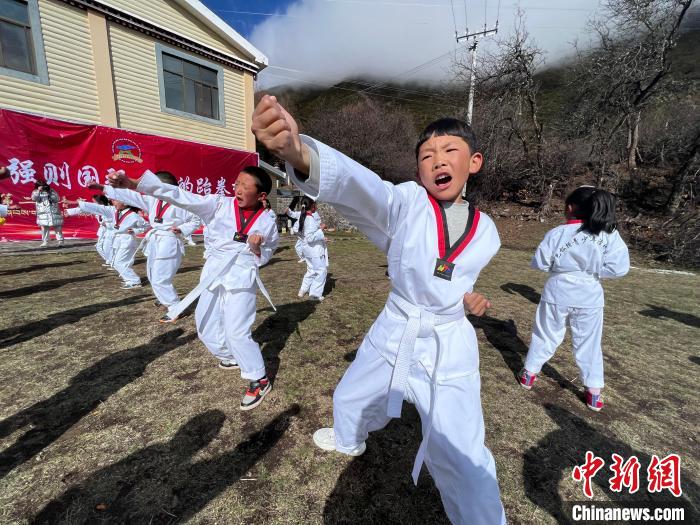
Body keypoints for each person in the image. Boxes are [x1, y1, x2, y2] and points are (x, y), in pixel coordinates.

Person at [252, 95, 505, 525]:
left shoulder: (489, 233)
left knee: (461, 449)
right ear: (419, 170)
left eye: (449, 150)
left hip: (448, 341)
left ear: (474, 162)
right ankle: (349, 438)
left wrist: (467, 298)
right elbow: (365, 189)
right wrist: (300, 155)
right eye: (426, 156)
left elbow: (455, 276)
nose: (437, 160)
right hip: (398, 324)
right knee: (351, 395)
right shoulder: (407, 202)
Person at [106, 166, 279, 410]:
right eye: (237, 183)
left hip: (241, 277)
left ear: (261, 195)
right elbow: (179, 195)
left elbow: (267, 252)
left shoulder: (268, 221)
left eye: (245, 186)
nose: (238, 189)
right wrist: (134, 184)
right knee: (205, 326)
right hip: (213, 273)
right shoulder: (217, 205)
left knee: (236, 331)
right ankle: (230, 356)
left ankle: (258, 379)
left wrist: (256, 247)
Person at [518, 186, 630, 412]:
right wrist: (594, 272)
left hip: (557, 291)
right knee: (589, 343)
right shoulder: (608, 234)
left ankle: (529, 374)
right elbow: (619, 268)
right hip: (589, 295)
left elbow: (540, 262)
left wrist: (561, 269)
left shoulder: (558, 232)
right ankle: (594, 392)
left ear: (570, 208)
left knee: (546, 334)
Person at [92, 172, 201, 318]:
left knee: (160, 277)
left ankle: (175, 307)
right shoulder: (153, 200)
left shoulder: (182, 202)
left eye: (154, 186)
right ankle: (164, 298)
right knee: (152, 273)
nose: (151, 189)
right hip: (155, 240)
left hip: (169, 240)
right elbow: (131, 196)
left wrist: (182, 229)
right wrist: (102, 188)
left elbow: (196, 220)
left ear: (165, 186)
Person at [66, 199, 148, 288]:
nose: (113, 202)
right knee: (115, 261)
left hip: (127, 240)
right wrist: (76, 205)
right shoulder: (113, 211)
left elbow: (146, 225)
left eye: (115, 201)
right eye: (113, 201)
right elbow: (97, 207)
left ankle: (134, 281)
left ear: (124, 203)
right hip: (117, 240)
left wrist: (135, 230)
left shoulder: (133, 216)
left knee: (119, 262)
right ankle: (129, 279)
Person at [293, 196, 328, 301]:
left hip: (307, 250)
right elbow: (310, 237)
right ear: (312, 205)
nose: (316, 206)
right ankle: (315, 294)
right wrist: (321, 229)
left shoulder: (303, 217)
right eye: (315, 204)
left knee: (311, 270)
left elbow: (297, 230)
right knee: (321, 271)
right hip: (314, 251)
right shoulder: (309, 219)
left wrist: (319, 235)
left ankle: (303, 289)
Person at [31, 180, 64, 247]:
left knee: (57, 227)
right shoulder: (35, 192)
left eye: (43, 186)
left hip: (53, 212)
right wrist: (38, 191)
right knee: (44, 228)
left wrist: (49, 193)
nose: (43, 187)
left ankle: (60, 241)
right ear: (37, 186)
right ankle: (45, 241)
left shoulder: (51, 191)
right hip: (43, 213)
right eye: (41, 186)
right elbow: (34, 198)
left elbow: (57, 199)